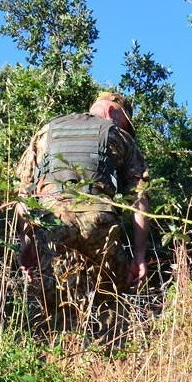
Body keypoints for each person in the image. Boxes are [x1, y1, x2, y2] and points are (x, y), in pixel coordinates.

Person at [15, 91, 150, 304]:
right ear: (112, 110)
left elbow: (24, 195)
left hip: (52, 221)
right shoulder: (119, 136)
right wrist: (140, 254)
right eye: (124, 123)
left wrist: (26, 244)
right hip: (100, 221)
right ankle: (110, 332)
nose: (124, 129)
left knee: (53, 300)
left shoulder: (46, 132)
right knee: (112, 296)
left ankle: (60, 330)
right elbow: (139, 198)